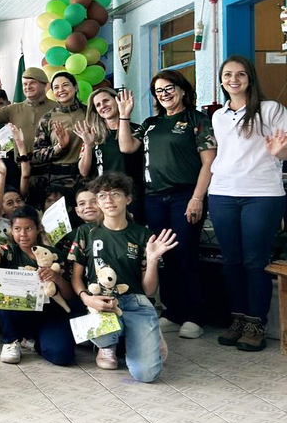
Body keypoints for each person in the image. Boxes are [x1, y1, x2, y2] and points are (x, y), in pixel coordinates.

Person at [116, 72, 217, 339]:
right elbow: (126, 147)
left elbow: (209, 162)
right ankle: (173, 312)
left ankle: (194, 316)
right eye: (158, 91)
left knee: (185, 253)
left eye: (169, 88)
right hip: (154, 198)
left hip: (185, 196)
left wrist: (197, 198)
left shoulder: (198, 120)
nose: (164, 94)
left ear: (182, 90)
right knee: (164, 256)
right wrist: (124, 115)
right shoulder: (151, 123)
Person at [209, 56, 287, 351]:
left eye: (241, 74)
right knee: (231, 262)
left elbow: (284, 148)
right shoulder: (218, 116)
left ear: (250, 79)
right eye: (228, 74)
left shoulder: (271, 109)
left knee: (255, 262)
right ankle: (238, 319)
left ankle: (256, 323)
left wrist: (281, 151)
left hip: (262, 194)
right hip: (223, 193)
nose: (234, 79)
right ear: (221, 80)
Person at [71, 173, 175, 380]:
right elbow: (76, 278)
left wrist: (152, 259)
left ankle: (148, 334)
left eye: (115, 194)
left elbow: (148, 290)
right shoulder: (86, 233)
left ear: (127, 199)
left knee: (146, 375)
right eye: (102, 196)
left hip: (136, 302)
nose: (108, 200)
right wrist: (87, 298)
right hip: (102, 302)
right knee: (103, 334)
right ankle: (109, 345)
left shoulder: (143, 236)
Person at [0, 199, 76, 365]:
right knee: (1, 292)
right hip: (17, 316)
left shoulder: (54, 255)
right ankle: (11, 341)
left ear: (38, 228)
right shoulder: (8, 252)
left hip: (48, 316)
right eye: (18, 229)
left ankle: (34, 342)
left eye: (29, 229)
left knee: (62, 356)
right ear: (11, 230)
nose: (23, 234)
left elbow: (69, 295)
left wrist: (56, 277)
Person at [73, 88, 145, 221]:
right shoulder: (94, 135)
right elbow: (83, 171)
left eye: (106, 101)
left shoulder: (137, 130)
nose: (103, 106)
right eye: (98, 105)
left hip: (132, 195)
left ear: (117, 101)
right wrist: (88, 145)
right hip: (104, 197)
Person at [0, 67, 58, 158]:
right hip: (21, 167)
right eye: (25, 84)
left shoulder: (57, 108)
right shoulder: (13, 109)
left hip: (51, 167)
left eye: (33, 83)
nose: (28, 87)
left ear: (45, 85)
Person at [31, 72, 86, 204]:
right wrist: (59, 147)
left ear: (76, 87)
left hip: (88, 177)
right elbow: (37, 155)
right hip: (59, 179)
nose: (61, 90)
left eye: (65, 85)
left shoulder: (90, 113)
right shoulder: (47, 119)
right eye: (56, 87)